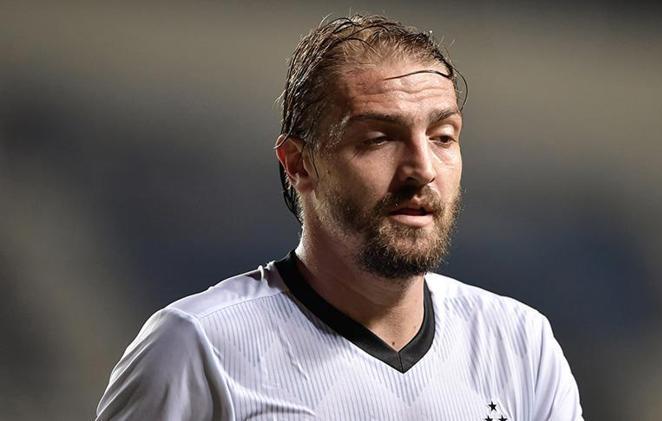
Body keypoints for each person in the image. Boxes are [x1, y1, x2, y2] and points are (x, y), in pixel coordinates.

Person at [96, 14, 583, 421]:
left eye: (442, 136)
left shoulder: (520, 343)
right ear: (299, 164)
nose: (422, 169)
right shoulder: (196, 348)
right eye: (378, 139)